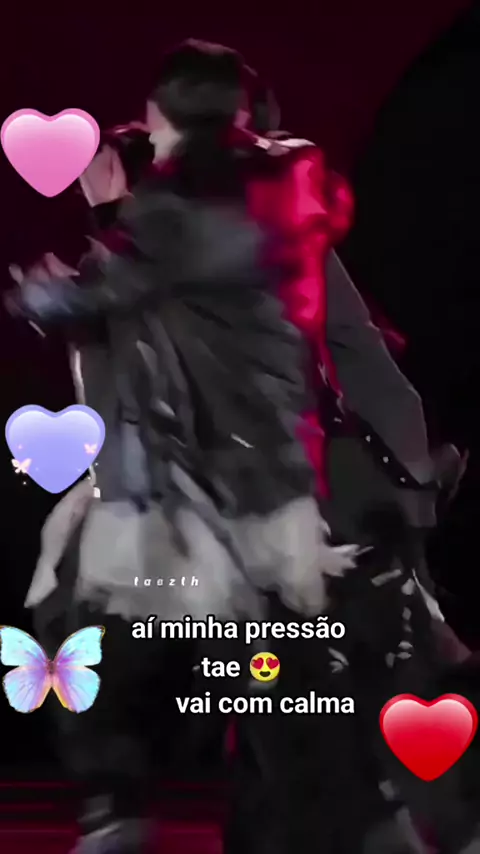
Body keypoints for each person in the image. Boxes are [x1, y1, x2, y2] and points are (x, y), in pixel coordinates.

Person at [5, 41, 367, 854]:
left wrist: (60, 268)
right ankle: (292, 821)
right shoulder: (287, 188)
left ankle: (121, 806)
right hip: (272, 477)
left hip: (188, 482)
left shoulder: (175, 213)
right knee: (264, 675)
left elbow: (98, 296)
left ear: (170, 112)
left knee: (98, 636)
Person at [244, 82, 480, 852]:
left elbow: (358, 360)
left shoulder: (283, 238)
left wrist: (411, 488)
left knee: (386, 655)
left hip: (345, 486)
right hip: (303, 487)